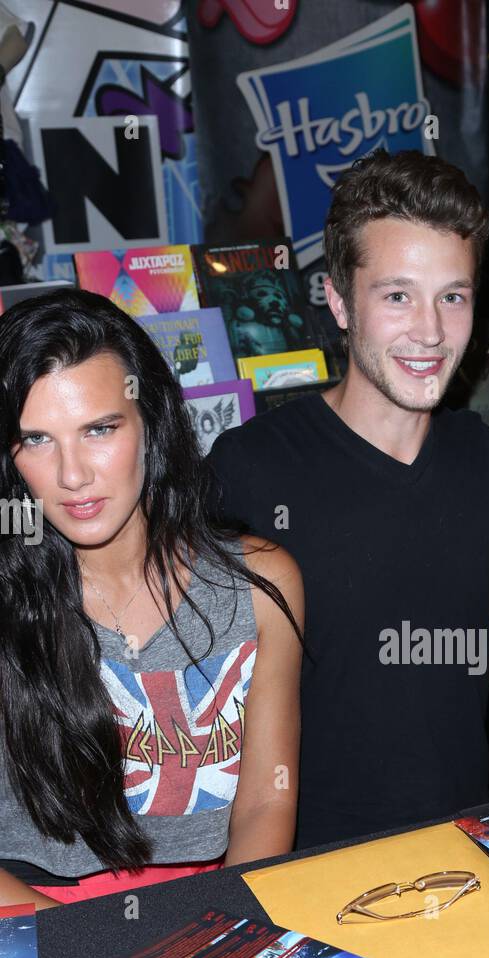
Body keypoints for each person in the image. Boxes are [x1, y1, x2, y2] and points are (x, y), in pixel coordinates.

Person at [209, 150, 489, 849]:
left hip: (467, 846)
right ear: (337, 300)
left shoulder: (482, 459)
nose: (431, 331)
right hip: (304, 860)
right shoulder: (251, 468)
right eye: (396, 296)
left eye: (453, 295)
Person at [0, 288, 303, 909]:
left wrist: (224, 928)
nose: (72, 475)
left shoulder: (258, 585)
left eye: (99, 429)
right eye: (36, 440)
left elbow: (267, 799)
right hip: (30, 918)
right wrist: (101, 952)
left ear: (152, 423)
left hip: (212, 906)